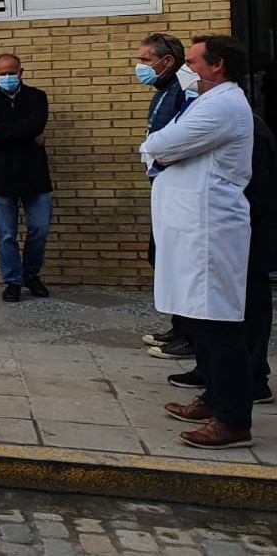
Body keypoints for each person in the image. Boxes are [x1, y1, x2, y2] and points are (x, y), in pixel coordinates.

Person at [144, 36, 257, 449]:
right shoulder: (204, 102)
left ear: (218, 66)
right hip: (192, 230)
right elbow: (164, 142)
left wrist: (159, 150)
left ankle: (233, 421)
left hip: (209, 230)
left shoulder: (223, 106)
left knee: (218, 325)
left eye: (191, 61)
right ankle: (213, 398)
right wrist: (161, 150)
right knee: (200, 321)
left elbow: (159, 143)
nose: (184, 68)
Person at [170, 116, 277, 407]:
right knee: (214, 313)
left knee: (243, 310)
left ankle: (250, 380)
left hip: (242, 237)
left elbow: (253, 189)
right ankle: (214, 376)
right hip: (225, 235)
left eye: (192, 66)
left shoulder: (241, 124)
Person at [136, 33, 195, 359]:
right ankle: (179, 325)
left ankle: (189, 333)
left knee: (176, 260)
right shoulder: (163, 91)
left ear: (166, 61)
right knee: (161, 257)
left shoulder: (182, 92)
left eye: (145, 60)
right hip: (162, 186)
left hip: (178, 190)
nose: (141, 66)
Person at [0, 54, 53, 303]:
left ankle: (32, 274)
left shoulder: (37, 97)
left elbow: (35, 124)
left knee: (39, 228)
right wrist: (26, 134)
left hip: (34, 174)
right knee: (6, 233)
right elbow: (27, 130)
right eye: (1, 72)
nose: (7, 77)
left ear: (21, 72)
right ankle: (13, 280)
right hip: (1, 175)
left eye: (11, 72)